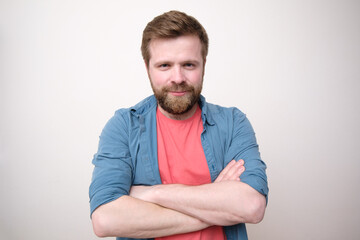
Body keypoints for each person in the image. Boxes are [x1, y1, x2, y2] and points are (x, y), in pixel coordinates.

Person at [89, 10, 268, 240]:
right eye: (164, 65)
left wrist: (154, 194)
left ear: (203, 64)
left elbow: (252, 206)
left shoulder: (233, 123)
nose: (177, 77)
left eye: (189, 65)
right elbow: (105, 220)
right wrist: (219, 208)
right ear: (147, 68)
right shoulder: (123, 127)